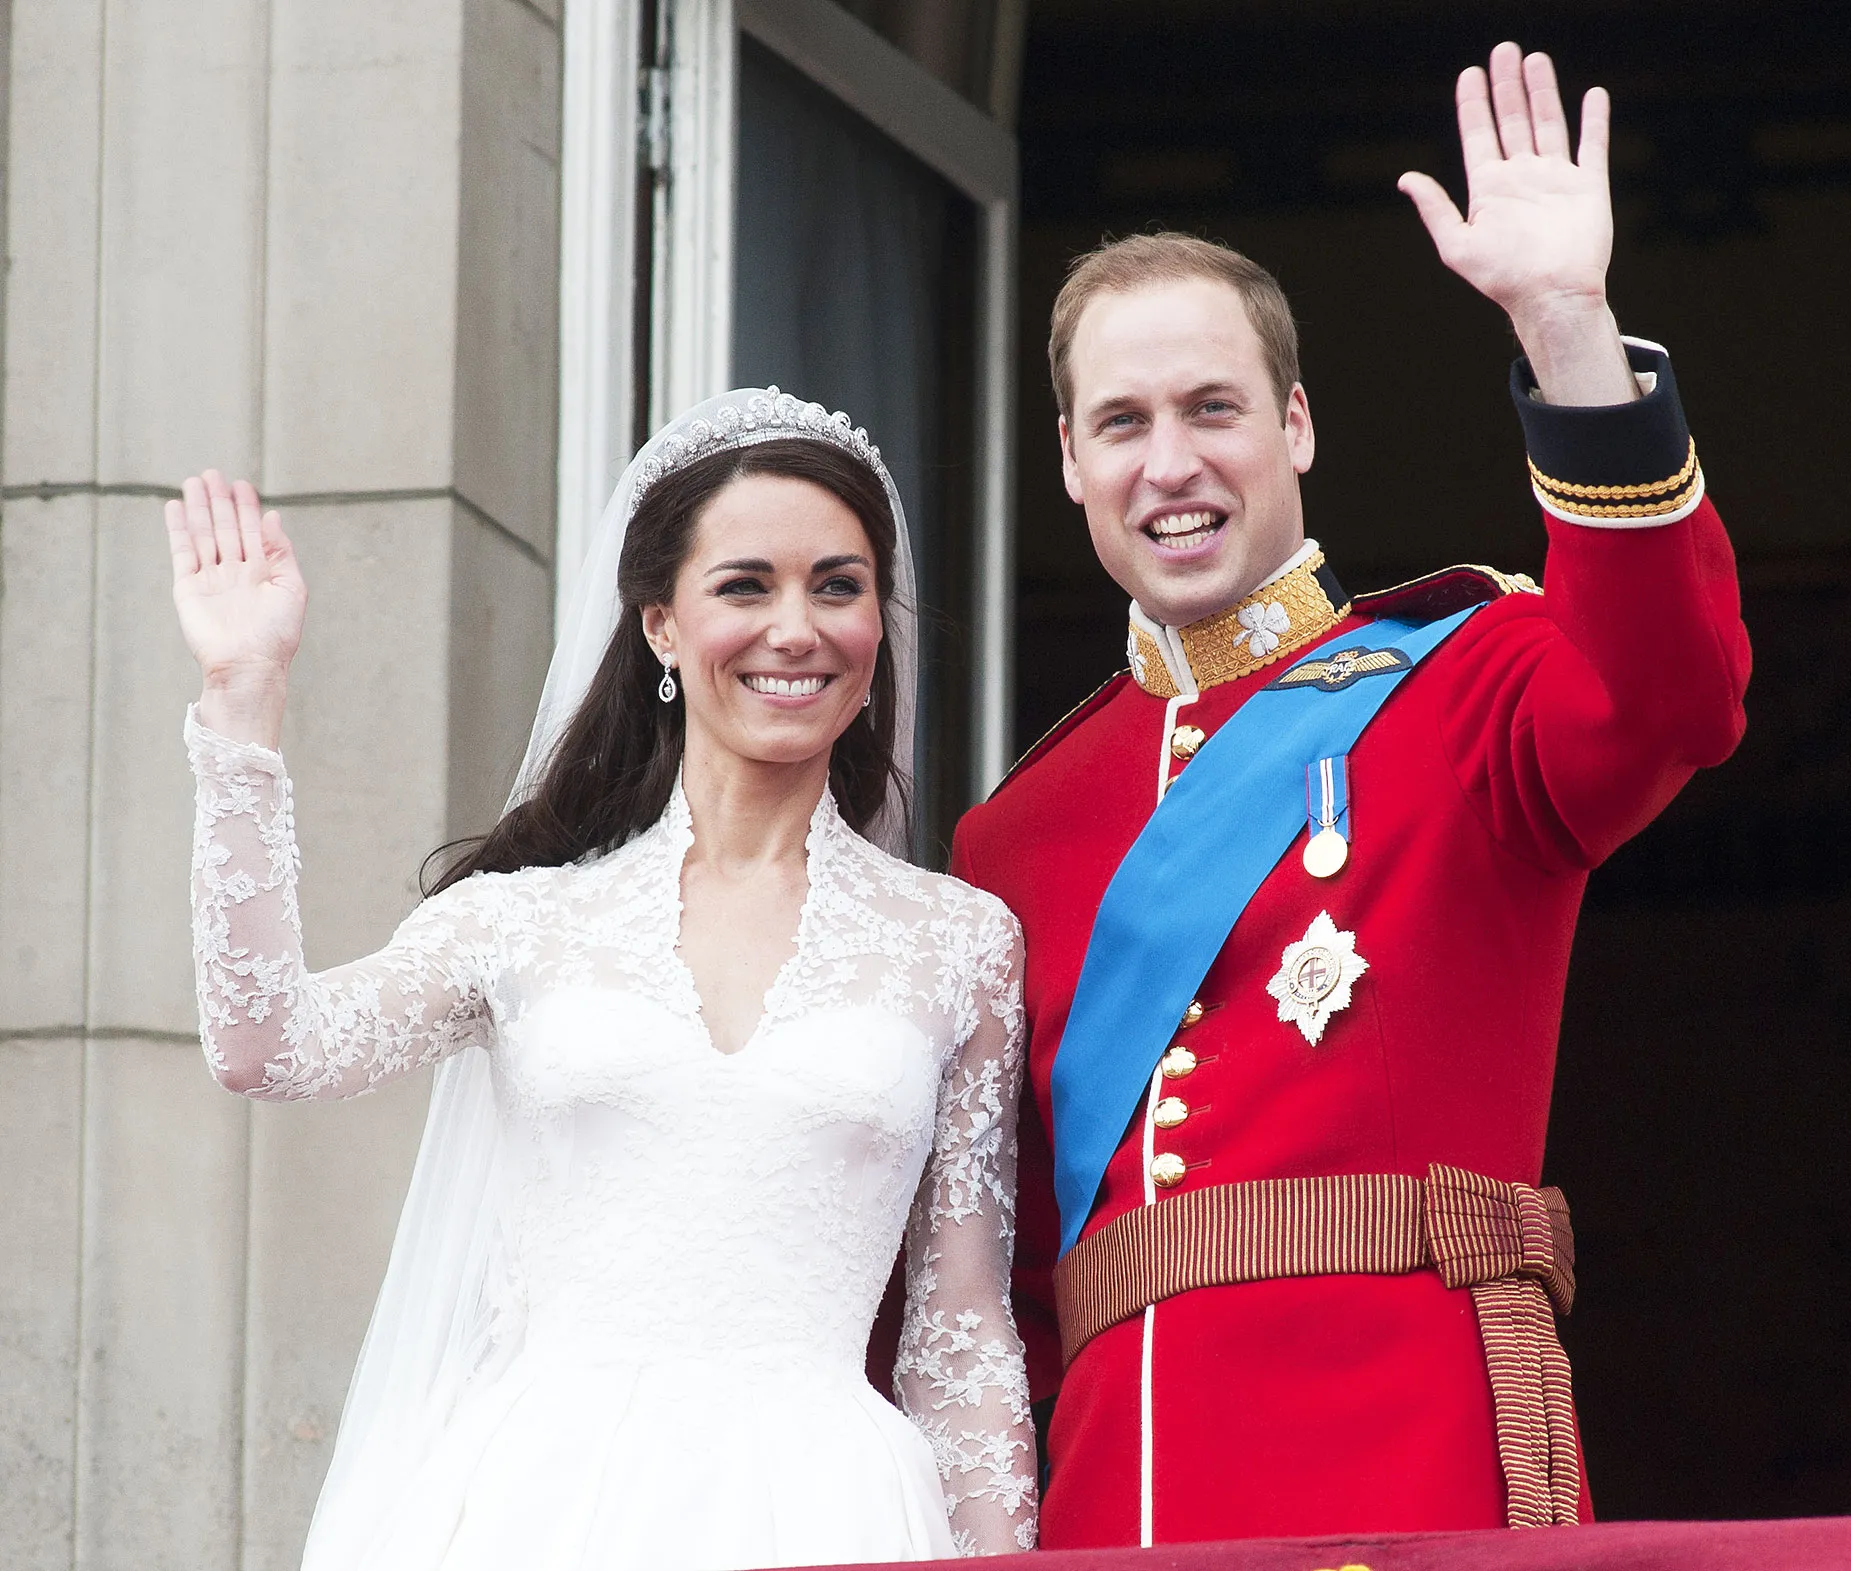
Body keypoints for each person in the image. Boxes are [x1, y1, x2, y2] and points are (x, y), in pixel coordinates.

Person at [950, 44, 1752, 1547]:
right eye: (1121, 422)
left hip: (1403, 1455)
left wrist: (1565, 328)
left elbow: (1672, 696)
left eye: (1214, 408)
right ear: (1067, 460)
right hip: (1123, 1493)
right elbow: (1006, 1283)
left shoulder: (1463, 679)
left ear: (1297, 425)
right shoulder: (1016, 832)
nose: (1169, 463)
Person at [167, 390, 1037, 1568]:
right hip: (542, 1501)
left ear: (877, 625)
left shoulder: (962, 942)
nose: (795, 628)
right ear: (661, 625)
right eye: (744, 586)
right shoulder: (524, 918)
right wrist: (242, 699)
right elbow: (268, 1044)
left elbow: (960, 1328)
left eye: (836, 586)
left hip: (831, 1504)